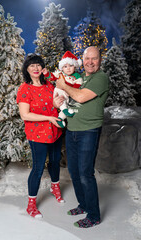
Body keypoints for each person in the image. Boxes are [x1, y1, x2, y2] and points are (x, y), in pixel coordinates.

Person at [55, 46, 109, 228]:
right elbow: (65, 97)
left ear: (100, 60)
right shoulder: (80, 77)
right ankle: (83, 205)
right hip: (72, 129)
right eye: (87, 58)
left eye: (94, 58)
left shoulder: (100, 78)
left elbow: (80, 97)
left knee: (86, 174)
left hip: (89, 130)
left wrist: (64, 86)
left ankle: (94, 216)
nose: (90, 62)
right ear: (82, 60)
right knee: (74, 172)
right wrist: (58, 100)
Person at [16, 53, 65, 219]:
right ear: (27, 69)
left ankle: (55, 187)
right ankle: (31, 205)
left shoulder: (50, 86)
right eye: (32, 66)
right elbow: (25, 115)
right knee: (38, 168)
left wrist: (56, 105)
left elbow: (52, 106)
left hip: (55, 131)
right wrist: (49, 117)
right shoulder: (24, 88)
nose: (35, 68)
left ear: (42, 68)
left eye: (38, 65)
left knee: (55, 160)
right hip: (37, 135)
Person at [42, 51, 83, 128]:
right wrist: (46, 73)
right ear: (62, 68)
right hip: (58, 91)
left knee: (65, 104)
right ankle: (65, 110)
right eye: (65, 67)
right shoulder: (60, 73)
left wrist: (71, 90)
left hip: (67, 94)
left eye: (70, 66)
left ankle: (60, 119)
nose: (68, 69)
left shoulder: (77, 76)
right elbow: (52, 77)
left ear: (75, 66)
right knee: (62, 100)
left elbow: (78, 84)